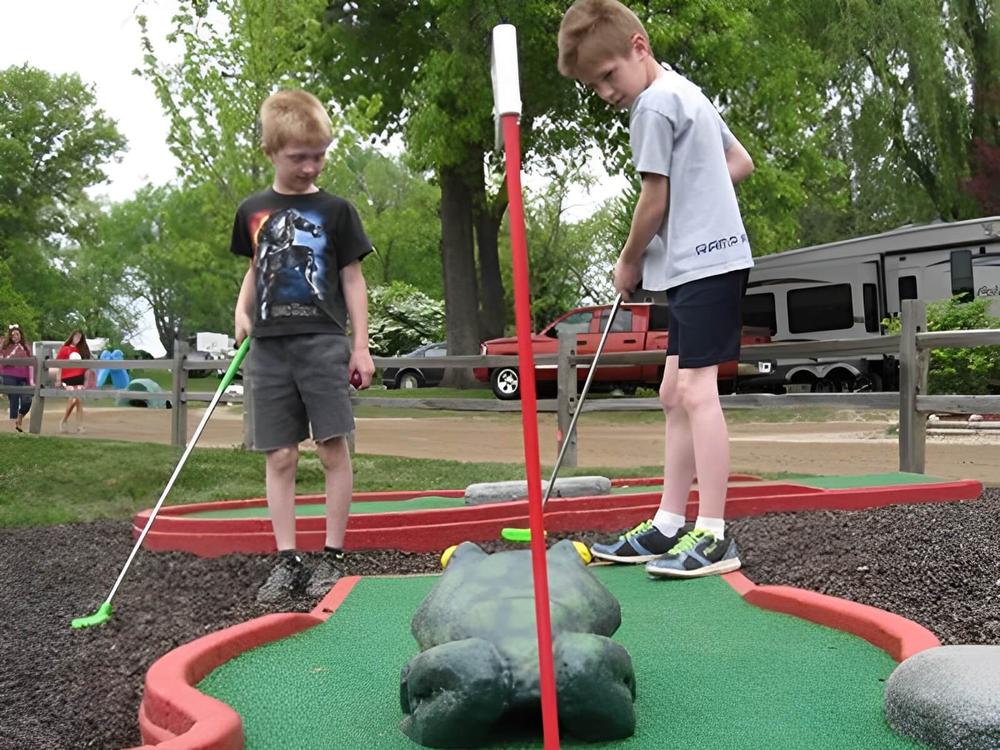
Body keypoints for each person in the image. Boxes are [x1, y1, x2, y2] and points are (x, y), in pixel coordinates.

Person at [558, 0, 755, 578]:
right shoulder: (686, 91)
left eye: (607, 75)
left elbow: (654, 197)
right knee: (673, 390)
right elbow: (738, 162)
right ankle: (670, 522)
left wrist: (627, 259)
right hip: (706, 261)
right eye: (594, 84)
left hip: (703, 264)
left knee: (696, 391)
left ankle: (715, 533)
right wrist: (703, 195)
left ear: (638, 47)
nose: (605, 91)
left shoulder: (651, 105)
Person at [231, 89, 375, 603]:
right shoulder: (253, 210)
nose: (311, 166)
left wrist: (361, 345)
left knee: (332, 447)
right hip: (269, 349)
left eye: (319, 154)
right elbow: (256, 266)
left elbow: (352, 280)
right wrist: (241, 310)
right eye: (299, 157)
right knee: (281, 456)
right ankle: (288, 558)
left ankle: (332, 557)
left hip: (322, 342)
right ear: (271, 151)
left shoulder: (336, 211)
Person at [56, 329, 91, 434]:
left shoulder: (82, 350)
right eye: (76, 336)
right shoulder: (65, 349)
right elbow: (59, 365)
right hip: (67, 379)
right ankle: (64, 420)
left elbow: (87, 367)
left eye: (80, 337)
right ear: (72, 336)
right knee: (73, 399)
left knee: (79, 400)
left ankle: (80, 426)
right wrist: (58, 379)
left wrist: (86, 381)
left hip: (79, 378)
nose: (77, 339)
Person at [1, 324, 33, 432]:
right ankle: (13, 427)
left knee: (27, 400)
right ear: (10, 336)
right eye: (13, 334)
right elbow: (3, 363)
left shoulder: (26, 347)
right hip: (10, 376)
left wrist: (31, 380)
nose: (15, 336)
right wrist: (13, 352)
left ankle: (20, 418)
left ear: (21, 335)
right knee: (14, 400)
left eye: (17, 334)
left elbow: (31, 363)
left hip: (24, 378)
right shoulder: (5, 348)